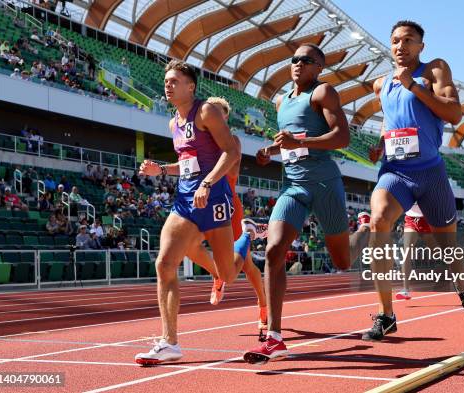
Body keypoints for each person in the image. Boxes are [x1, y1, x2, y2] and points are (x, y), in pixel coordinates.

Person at [134, 60, 264, 366]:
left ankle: (246, 235)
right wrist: (161, 169)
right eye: (166, 81)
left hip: (215, 196)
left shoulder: (207, 111)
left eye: (174, 81)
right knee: (165, 263)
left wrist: (207, 183)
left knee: (228, 275)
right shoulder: (173, 123)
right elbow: (186, 161)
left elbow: (230, 152)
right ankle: (169, 342)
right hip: (185, 198)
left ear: (190, 86)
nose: (168, 85)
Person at [362, 20, 464, 342]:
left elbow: (454, 114)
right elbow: (392, 117)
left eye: (408, 40)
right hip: (396, 170)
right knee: (378, 221)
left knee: (447, 249)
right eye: (396, 41)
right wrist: (383, 144)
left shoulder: (435, 70)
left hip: (431, 172)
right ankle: (386, 315)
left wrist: (414, 86)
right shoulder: (380, 84)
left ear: (421, 47)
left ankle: (461, 285)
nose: (401, 46)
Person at [243, 43, 352, 364]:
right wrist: (270, 151)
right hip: (293, 187)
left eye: (307, 60)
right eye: (295, 59)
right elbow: (289, 144)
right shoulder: (280, 101)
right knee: (275, 251)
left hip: (325, 185)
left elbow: (342, 137)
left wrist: (299, 141)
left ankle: (369, 236)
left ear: (319, 67)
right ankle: (275, 337)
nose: (298, 63)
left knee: (343, 262)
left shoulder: (323, 93)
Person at [188, 96, 268, 333]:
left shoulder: (232, 140)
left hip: (227, 204)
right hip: (202, 201)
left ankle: (263, 305)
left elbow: (226, 163)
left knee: (247, 265)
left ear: (224, 117)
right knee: (188, 244)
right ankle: (218, 274)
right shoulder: (200, 140)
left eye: (218, 113)